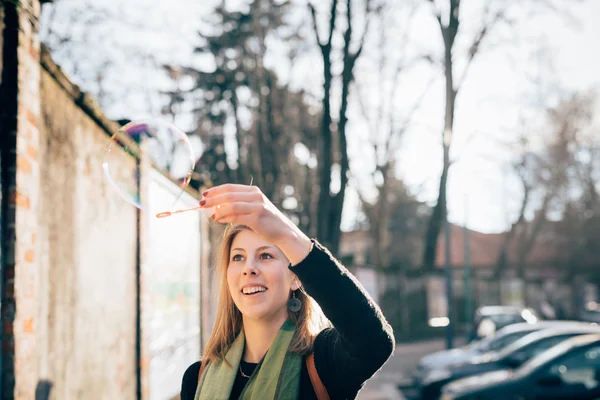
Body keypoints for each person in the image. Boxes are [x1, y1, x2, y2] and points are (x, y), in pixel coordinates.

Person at [180, 184, 395, 400]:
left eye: (265, 256)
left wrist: (286, 233)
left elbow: (374, 342)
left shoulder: (325, 362)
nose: (249, 268)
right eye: (238, 257)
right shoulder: (197, 378)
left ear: (296, 277)